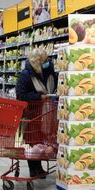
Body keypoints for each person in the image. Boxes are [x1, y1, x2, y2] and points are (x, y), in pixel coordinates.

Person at [15, 49, 56, 179]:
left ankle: (38, 168)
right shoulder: (26, 75)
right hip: (31, 114)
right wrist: (38, 97)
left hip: (45, 113)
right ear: (37, 61)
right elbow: (20, 95)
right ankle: (33, 169)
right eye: (45, 60)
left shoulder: (48, 72)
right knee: (32, 142)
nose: (47, 62)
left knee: (40, 142)